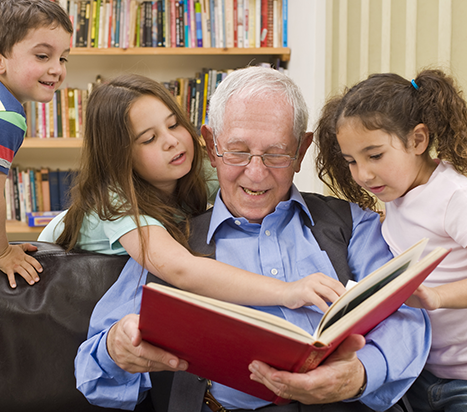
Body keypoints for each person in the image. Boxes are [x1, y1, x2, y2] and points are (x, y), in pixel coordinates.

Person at [74, 66, 430, 412]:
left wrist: (360, 373)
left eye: (276, 154)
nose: (256, 173)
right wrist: (115, 346)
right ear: (212, 145)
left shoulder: (352, 223)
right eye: (238, 151)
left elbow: (406, 313)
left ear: (301, 151)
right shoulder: (168, 245)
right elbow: (90, 372)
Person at [39, 72, 346, 311]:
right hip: (60, 284)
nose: (171, 141)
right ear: (120, 157)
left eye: (173, 125)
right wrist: (287, 291)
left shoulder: (198, 168)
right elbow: (181, 269)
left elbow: (265, 180)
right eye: (148, 139)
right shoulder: (114, 203)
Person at [314, 69, 467, 411]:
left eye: (375, 156)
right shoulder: (397, 193)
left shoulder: (454, 197)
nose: (363, 174)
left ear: (417, 140)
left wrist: (438, 296)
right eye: (351, 161)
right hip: (420, 374)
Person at [0, 0, 72, 288]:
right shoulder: (6, 115)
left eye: (63, 58)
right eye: (42, 56)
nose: (56, 69)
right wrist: (2, 252)